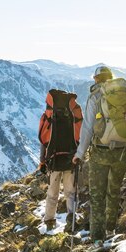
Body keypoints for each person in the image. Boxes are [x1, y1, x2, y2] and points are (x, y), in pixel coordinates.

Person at [73, 66, 126, 250]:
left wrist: (79, 154)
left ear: (96, 79)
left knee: (97, 195)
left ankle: (97, 239)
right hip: (122, 151)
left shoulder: (96, 96)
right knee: (114, 190)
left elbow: (87, 128)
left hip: (100, 152)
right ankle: (111, 229)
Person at [38, 89, 83, 231]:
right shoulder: (73, 114)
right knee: (71, 191)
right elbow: (81, 134)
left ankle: (49, 220)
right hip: (71, 158)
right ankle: (72, 218)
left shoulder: (49, 115)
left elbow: (44, 141)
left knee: (52, 194)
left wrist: (42, 161)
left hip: (53, 160)